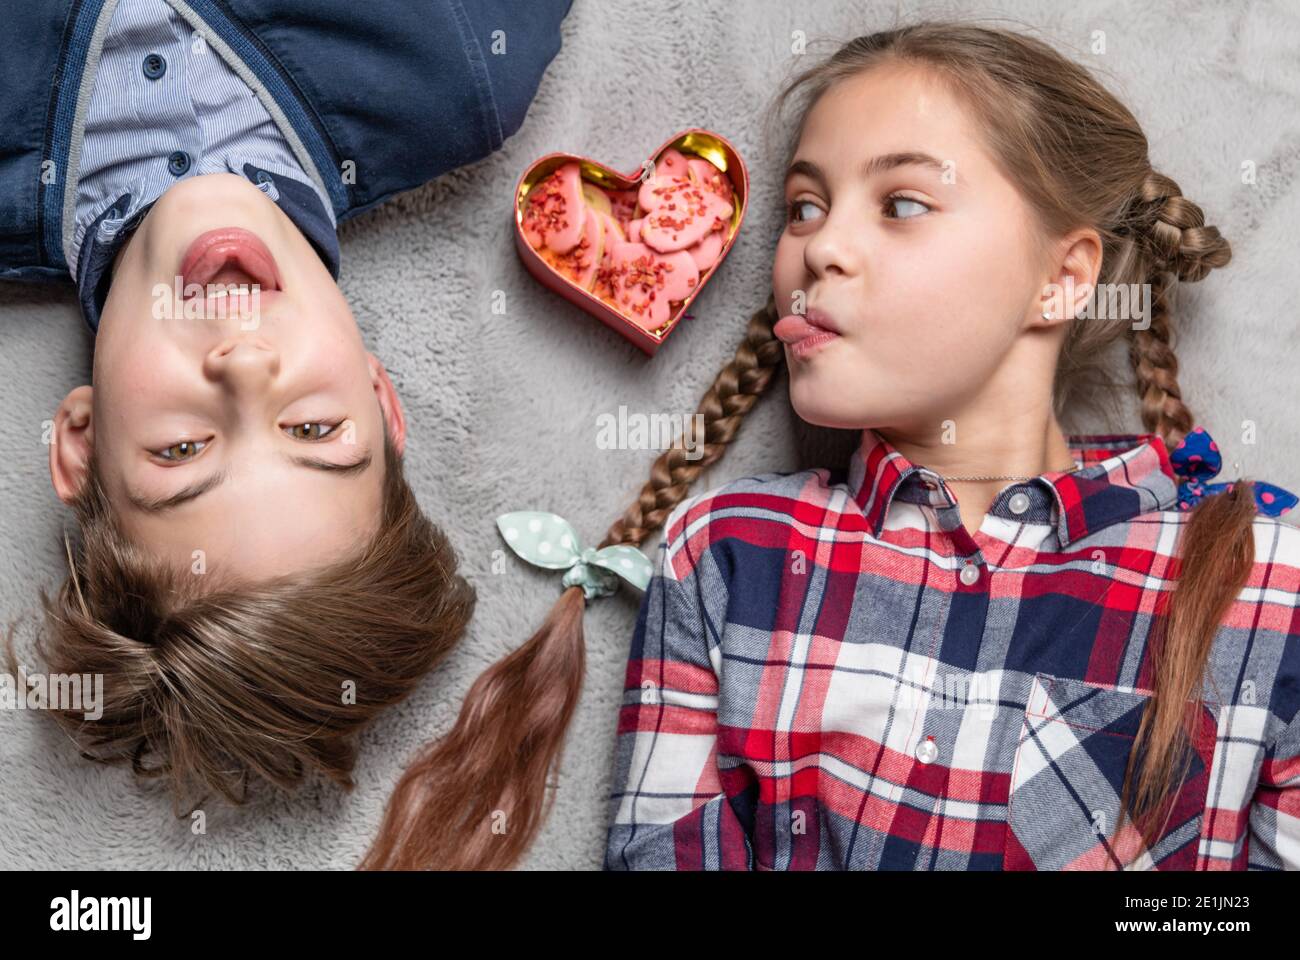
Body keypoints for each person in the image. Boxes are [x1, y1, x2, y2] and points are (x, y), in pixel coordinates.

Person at [364, 20, 1300, 871]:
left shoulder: (1262, 570)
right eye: (804, 208)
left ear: (1060, 279)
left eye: (899, 204)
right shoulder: (727, 550)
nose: (817, 249)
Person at [2, 0, 573, 811]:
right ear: (381, 400)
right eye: (313, 429)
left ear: (82, 443)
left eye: (182, 449)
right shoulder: (463, 65)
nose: (244, 364)